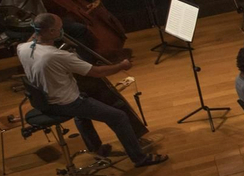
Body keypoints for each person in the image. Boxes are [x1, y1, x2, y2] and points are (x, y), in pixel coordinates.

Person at [18, 13, 165, 167]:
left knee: (81, 116)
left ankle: (96, 148)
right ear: (52, 32)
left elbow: (34, 39)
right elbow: (97, 72)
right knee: (119, 117)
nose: (63, 31)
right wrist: (122, 65)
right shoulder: (57, 55)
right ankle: (140, 159)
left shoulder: (22, 48)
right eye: (60, 28)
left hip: (44, 100)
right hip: (66, 102)